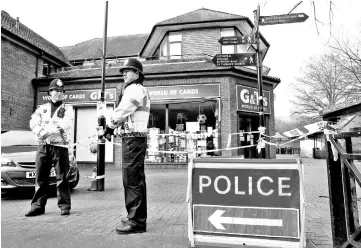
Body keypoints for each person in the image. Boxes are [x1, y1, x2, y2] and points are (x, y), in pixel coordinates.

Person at [103, 58, 150, 234]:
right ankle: (136, 216)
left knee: (132, 180)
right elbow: (129, 115)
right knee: (136, 180)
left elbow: (122, 111)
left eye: (128, 71)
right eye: (123, 71)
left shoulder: (134, 89)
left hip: (133, 141)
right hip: (134, 138)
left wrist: (109, 126)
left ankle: (136, 221)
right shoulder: (138, 89)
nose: (124, 73)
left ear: (137, 74)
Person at [25, 79, 74, 217]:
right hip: (43, 146)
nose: (58, 93)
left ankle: (65, 206)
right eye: (56, 91)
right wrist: (40, 132)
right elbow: (33, 122)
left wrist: (48, 131)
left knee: (62, 177)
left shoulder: (68, 109)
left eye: (61, 91)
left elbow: (66, 125)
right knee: (40, 177)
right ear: (50, 93)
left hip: (60, 147)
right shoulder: (42, 108)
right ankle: (37, 206)